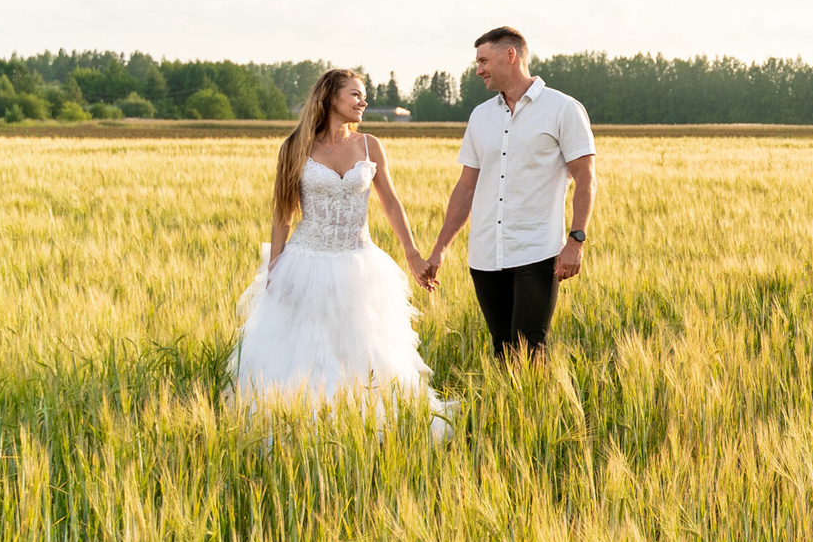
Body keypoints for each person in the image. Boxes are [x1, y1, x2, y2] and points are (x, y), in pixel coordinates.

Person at [231, 67, 449, 434]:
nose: (364, 101)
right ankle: (302, 423)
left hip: (358, 264)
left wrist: (412, 253)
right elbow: (283, 214)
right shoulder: (295, 146)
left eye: (363, 95)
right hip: (305, 263)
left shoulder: (370, 145)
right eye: (356, 94)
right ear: (332, 98)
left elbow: (391, 205)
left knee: (363, 349)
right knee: (307, 349)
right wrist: (274, 269)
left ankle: (367, 426)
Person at [419, 27, 597, 360]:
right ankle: (508, 411)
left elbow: (585, 178)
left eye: (483, 60)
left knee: (530, 351)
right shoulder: (480, 116)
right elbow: (465, 187)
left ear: (510, 56)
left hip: (537, 251)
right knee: (502, 349)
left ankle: (533, 412)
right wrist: (440, 248)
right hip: (485, 254)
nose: (478, 70)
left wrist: (576, 240)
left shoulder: (562, 109)